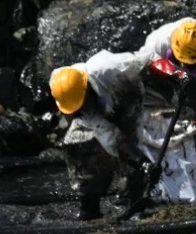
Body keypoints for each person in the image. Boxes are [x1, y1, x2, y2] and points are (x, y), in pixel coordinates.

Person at [135, 17, 196, 198]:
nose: (188, 65)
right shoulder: (160, 40)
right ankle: (140, 181)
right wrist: (175, 73)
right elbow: (143, 62)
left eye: (192, 63)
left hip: (195, 89)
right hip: (158, 83)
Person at [49, 50, 150, 221]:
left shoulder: (116, 69)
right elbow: (111, 137)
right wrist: (139, 159)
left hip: (129, 94)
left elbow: (147, 62)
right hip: (104, 103)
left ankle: (133, 202)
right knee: (82, 144)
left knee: (132, 149)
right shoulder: (61, 85)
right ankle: (89, 206)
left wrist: (140, 161)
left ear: (86, 87)